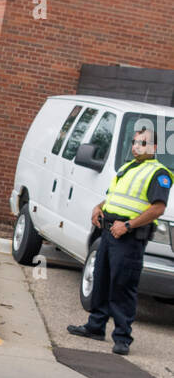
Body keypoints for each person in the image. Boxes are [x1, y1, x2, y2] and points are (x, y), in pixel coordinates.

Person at [68, 123, 172, 354]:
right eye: (135, 142)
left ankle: (122, 337)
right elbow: (113, 197)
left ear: (154, 147)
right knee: (101, 280)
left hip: (129, 238)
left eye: (142, 143)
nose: (136, 146)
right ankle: (95, 327)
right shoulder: (127, 168)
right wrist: (99, 206)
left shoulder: (159, 173)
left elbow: (158, 209)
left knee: (122, 286)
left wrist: (127, 225)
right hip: (108, 232)